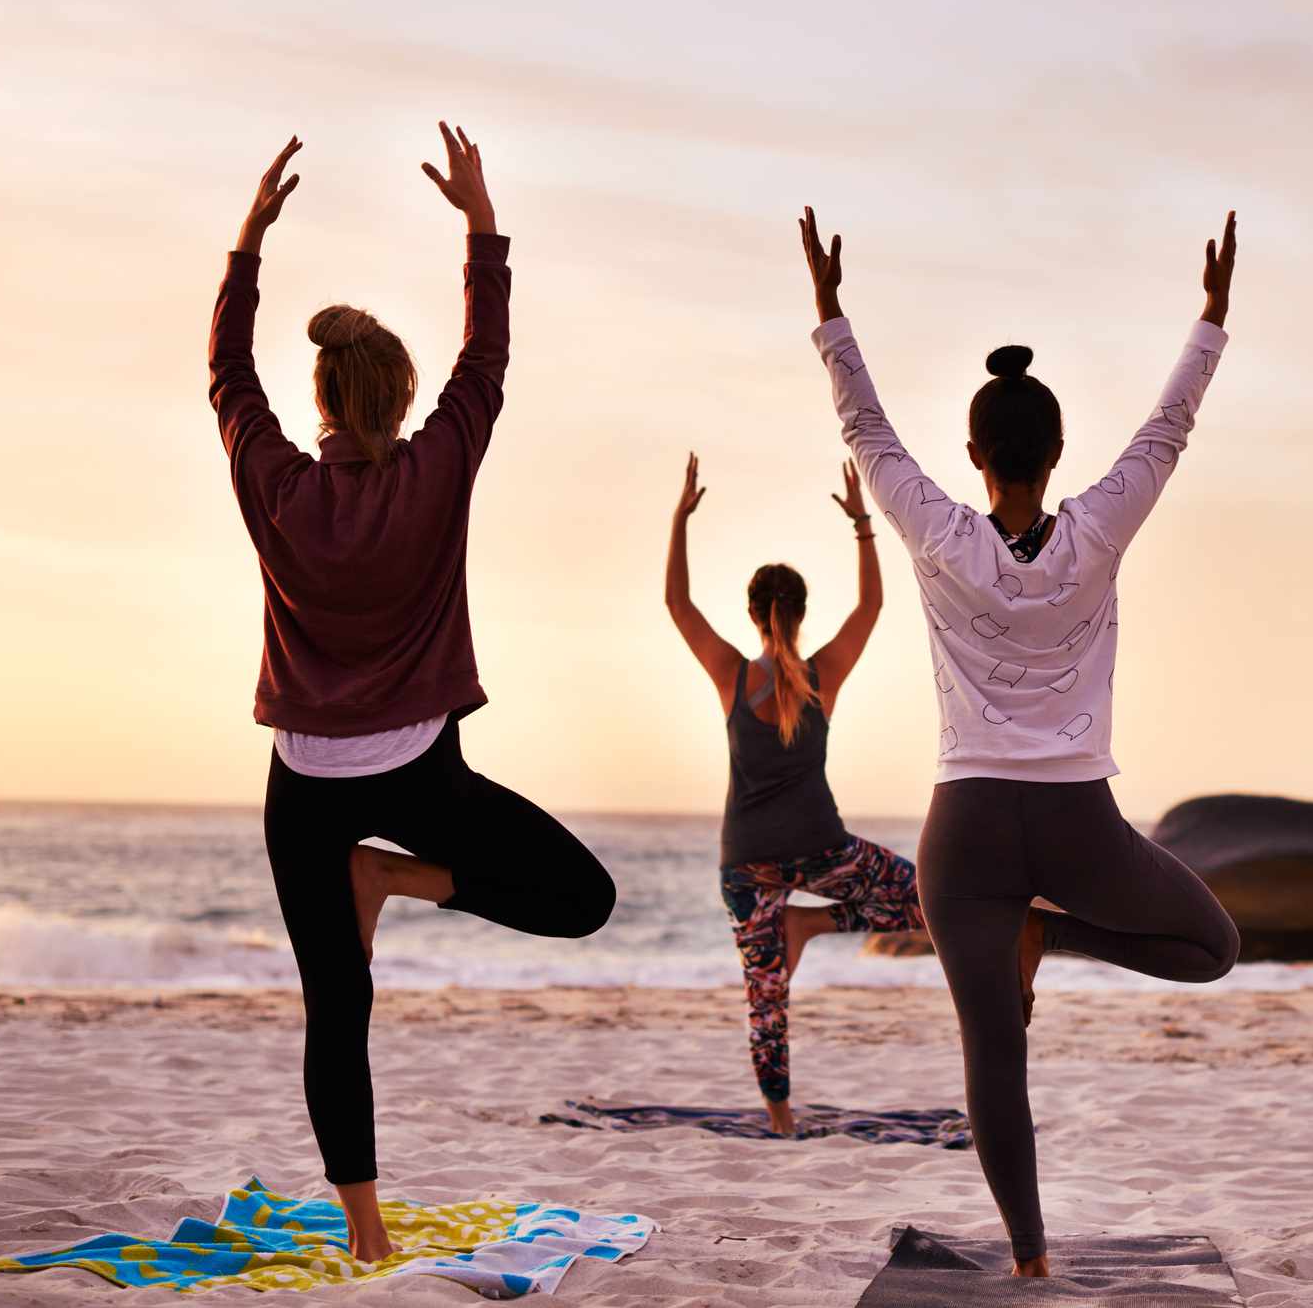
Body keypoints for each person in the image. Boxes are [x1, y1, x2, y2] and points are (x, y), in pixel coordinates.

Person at [798, 206, 1243, 1276]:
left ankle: (1031, 1257)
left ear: (974, 455)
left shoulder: (941, 533)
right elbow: (1169, 427)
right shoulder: (1095, 530)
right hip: (1079, 823)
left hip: (968, 833)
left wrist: (830, 310)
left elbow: (865, 431)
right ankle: (1060, 936)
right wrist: (1211, 319)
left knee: (993, 1053)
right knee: (1212, 947)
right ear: (1054, 453)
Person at [210, 127, 617, 1262]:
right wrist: (483, 224)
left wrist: (248, 245)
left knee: (338, 1009)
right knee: (583, 896)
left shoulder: (277, 483)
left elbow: (226, 378)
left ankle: (368, 1230)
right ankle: (397, 873)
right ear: (401, 397)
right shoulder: (439, 467)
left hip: (306, 785)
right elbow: (487, 362)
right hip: (419, 773)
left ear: (325, 399)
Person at [662, 450, 927, 1135]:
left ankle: (781, 1119)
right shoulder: (822, 673)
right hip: (821, 851)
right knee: (934, 903)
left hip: (746, 863)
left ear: (752, 614)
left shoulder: (730, 673)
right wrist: (863, 524)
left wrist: (680, 519)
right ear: (801, 613)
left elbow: (676, 604)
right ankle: (812, 923)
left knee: (766, 1000)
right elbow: (872, 604)